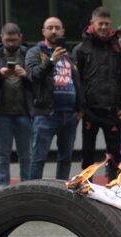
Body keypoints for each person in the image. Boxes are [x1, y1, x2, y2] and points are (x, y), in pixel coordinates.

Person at [74, 7, 121, 181]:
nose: (104, 27)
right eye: (100, 23)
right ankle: (86, 189)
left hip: (113, 111)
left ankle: (114, 188)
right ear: (92, 24)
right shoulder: (81, 49)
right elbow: (76, 81)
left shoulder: (117, 49)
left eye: (107, 23)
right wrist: (80, 106)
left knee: (115, 155)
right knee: (87, 154)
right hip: (90, 111)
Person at [26, 17, 83, 180]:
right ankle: (34, 197)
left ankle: (61, 196)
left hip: (70, 117)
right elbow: (32, 76)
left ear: (63, 31)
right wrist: (51, 61)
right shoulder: (35, 52)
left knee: (65, 160)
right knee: (38, 159)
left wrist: (81, 107)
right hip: (46, 115)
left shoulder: (68, 55)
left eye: (57, 28)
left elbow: (77, 82)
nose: (54, 31)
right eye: (50, 28)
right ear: (43, 32)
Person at [0, 22, 34, 189]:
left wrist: (26, 75)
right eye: (8, 40)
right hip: (0, 114)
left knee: (26, 156)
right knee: (1, 155)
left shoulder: (29, 55)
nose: (11, 44)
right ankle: (2, 189)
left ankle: (27, 188)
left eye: (14, 40)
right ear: (2, 38)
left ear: (20, 38)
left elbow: (39, 81)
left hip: (25, 113)